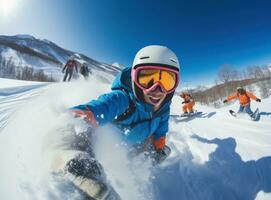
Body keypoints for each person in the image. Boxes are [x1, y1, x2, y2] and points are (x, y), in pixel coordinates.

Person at [62, 45, 180, 199]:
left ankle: (146, 160)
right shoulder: (122, 99)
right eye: (146, 78)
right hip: (115, 149)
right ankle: (77, 164)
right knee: (84, 137)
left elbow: (160, 130)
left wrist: (159, 147)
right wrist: (77, 121)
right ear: (134, 78)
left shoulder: (163, 109)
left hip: (138, 148)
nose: (157, 89)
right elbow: (96, 108)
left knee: (163, 150)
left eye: (166, 80)